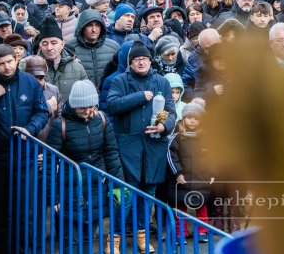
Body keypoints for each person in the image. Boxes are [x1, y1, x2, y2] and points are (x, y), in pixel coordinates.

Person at [0, 44, 50, 247]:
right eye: (1, 64)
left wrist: (29, 129)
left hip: (25, 156)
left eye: (10, 62)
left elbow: (42, 111)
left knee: (25, 211)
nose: (6, 67)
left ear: (16, 60)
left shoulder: (30, 82)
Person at [46, 79, 124, 249]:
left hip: (96, 186)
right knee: (71, 240)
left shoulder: (102, 119)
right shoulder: (61, 125)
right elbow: (50, 163)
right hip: (70, 189)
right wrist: (54, 197)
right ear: (74, 106)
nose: (88, 111)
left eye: (91, 106)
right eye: (83, 107)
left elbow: (111, 154)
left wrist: (118, 186)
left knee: (89, 237)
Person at [107, 42, 176, 195]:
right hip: (129, 149)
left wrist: (164, 127)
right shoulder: (119, 81)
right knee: (128, 196)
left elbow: (172, 112)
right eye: (136, 59)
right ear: (130, 62)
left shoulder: (162, 81)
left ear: (150, 61)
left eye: (144, 58)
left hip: (154, 146)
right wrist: (140, 96)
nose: (141, 62)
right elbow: (112, 105)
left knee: (149, 194)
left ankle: (143, 220)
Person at [168, 103, 213, 243]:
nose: (192, 121)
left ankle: (202, 231)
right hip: (182, 180)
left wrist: (212, 173)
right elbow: (170, 156)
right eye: (189, 117)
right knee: (180, 208)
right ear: (183, 119)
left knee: (201, 205)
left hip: (201, 179)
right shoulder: (177, 137)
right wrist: (177, 173)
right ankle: (180, 233)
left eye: (196, 118)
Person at [67, 9, 120, 89]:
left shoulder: (114, 47)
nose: (94, 30)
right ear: (82, 27)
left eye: (97, 25)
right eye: (89, 25)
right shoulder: (69, 48)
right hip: (81, 95)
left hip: (107, 95)